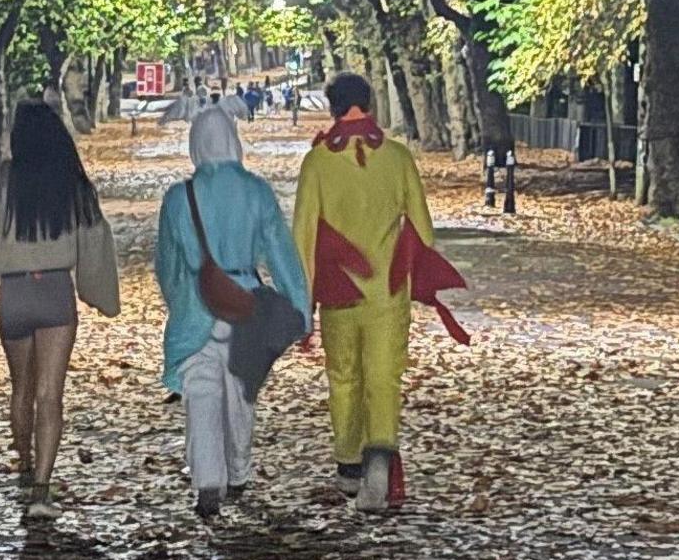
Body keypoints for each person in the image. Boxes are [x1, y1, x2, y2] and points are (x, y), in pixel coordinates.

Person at [292, 72, 471, 512]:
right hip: (388, 291)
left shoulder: (316, 163)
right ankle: (379, 457)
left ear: (331, 106)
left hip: (338, 291)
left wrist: (303, 300)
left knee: (344, 377)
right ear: (370, 103)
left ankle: (347, 465)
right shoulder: (397, 158)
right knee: (384, 376)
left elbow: (302, 239)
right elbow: (424, 233)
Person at [0, 101, 119, 519]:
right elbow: (96, 240)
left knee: (21, 388)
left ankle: (23, 462)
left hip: (15, 295)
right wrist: (100, 294)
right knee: (51, 394)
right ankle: (42, 488)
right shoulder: (72, 183)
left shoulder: (1, 182)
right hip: (56, 290)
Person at [155, 106, 310, 518]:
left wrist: (180, 302)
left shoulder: (177, 198)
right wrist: (299, 307)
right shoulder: (256, 191)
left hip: (195, 306)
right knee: (241, 394)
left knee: (202, 394)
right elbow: (281, 252)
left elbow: (167, 265)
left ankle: (208, 479)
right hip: (247, 308)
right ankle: (238, 471)